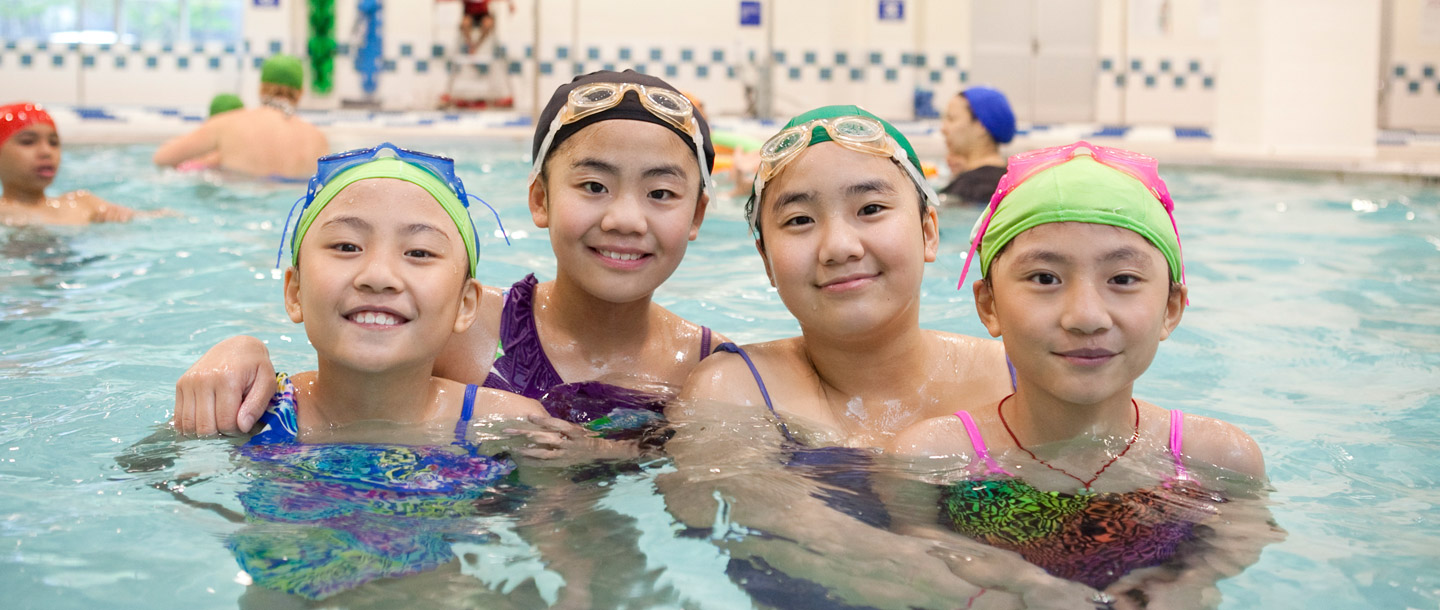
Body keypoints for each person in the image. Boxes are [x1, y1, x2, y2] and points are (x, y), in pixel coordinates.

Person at [662, 106, 1095, 608]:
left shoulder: (1021, 379)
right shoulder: (736, 391)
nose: (839, 247)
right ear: (766, 261)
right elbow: (718, 510)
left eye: (870, 209)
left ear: (929, 231)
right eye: (799, 220)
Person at [174, 70, 724, 458]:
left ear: (698, 213)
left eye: (660, 193)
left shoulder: (714, 374)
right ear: (539, 199)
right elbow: (344, 359)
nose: (626, 219)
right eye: (593, 185)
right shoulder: (465, 330)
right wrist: (241, 352)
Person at [888, 141, 1278, 606]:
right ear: (989, 305)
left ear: (1172, 308)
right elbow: (913, 562)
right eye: (1045, 278)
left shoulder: (1219, 462)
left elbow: (1237, 546)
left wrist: (1181, 585)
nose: (1087, 316)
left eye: (1123, 279)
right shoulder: (929, 461)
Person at [222, 143, 547, 599]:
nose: (378, 275)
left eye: (418, 253)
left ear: (465, 304)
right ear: (294, 291)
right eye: (346, 246)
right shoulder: (250, 415)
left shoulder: (510, 425)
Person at [152, 55, 329, 180]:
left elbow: (162, 159)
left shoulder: (226, 123)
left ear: (261, 88)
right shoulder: (319, 140)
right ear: (300, 93)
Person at [1, 102, 141, 225]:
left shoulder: (84, 203)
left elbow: (151, 217)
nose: (46, 151)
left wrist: (124, 215)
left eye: (53, 143)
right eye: (28, 142)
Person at [940, 86, 1015, 205]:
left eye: (951, 119)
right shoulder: (1011, 180)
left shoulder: (970, 189)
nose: (943, 129)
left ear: (981, 126)